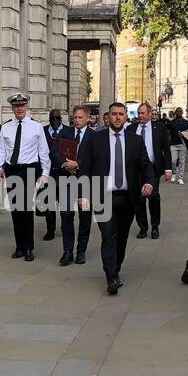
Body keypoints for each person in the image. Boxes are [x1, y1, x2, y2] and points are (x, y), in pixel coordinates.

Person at [76, 102, 153, 295]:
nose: (117, 117)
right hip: (103, 196)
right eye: (114, 114)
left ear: (126, 117)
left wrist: (149, 182)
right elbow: (84, 167)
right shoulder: (96, 139)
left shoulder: (135, 140)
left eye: (121, 114)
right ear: (107, 117)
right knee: (108, 236)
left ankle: (116, 269)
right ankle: (110, 277)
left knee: (121, 238)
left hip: (128, 198)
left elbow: (145, 165)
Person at [0, 93, 50, 262]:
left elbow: (43, 152)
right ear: (12, 108)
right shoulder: (6, 128)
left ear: (26, 107)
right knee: (16, 210)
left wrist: (45, 174)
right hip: (12, 170)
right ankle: (19, 247)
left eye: (22, 105)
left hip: (29, 170)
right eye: (17, 106)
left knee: (26, 209)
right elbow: (0, 151)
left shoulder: (36, 127)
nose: (20, 109)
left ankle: (29, 247)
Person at [128, 101, 173, 238]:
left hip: (153, 169)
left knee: (153, 197)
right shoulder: (131, 129)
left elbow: (166, 149)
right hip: (136, 170)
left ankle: (155, 226)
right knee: (139, 200)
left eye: (142, 113)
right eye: (138, 113)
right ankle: (143, 227)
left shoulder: (159, 128)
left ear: (149, 113)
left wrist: (168, 169)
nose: (140, 116)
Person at [57, 105, 94, 265]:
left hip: (85, 182)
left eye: (80, 117)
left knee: (84, 218)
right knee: (66, 216)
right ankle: (67, 251)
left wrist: (77, 164)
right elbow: (53, 152)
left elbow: (96, 158)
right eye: (75, 117)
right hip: (67, 180)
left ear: (87, 118)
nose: (77, 120)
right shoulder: (65, 133)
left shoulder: (94, 136)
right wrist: (65, 165)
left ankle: (81, 251)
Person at [40, 108, 70, 243]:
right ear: (49, 119)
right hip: (48, 173)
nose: (56, 121)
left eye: (58, 118)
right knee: (48, 204)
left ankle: (65, 229)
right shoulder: (42, 131)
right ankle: (50, 230)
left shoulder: (68, 131)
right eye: (53, 119)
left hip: (64, 174)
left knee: (64, 204)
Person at [168, 107, 188, 184]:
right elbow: (167, 132)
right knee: (173, 161)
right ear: (175, 113)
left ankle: (180, 178)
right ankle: (174, 173)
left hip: (183, 144)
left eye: (180, 111)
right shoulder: (171, 123)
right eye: (177, 111)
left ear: (182, 113)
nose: (179, 112)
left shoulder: (187, 123)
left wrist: (183, 134)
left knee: (182, 161)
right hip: (173, 144)